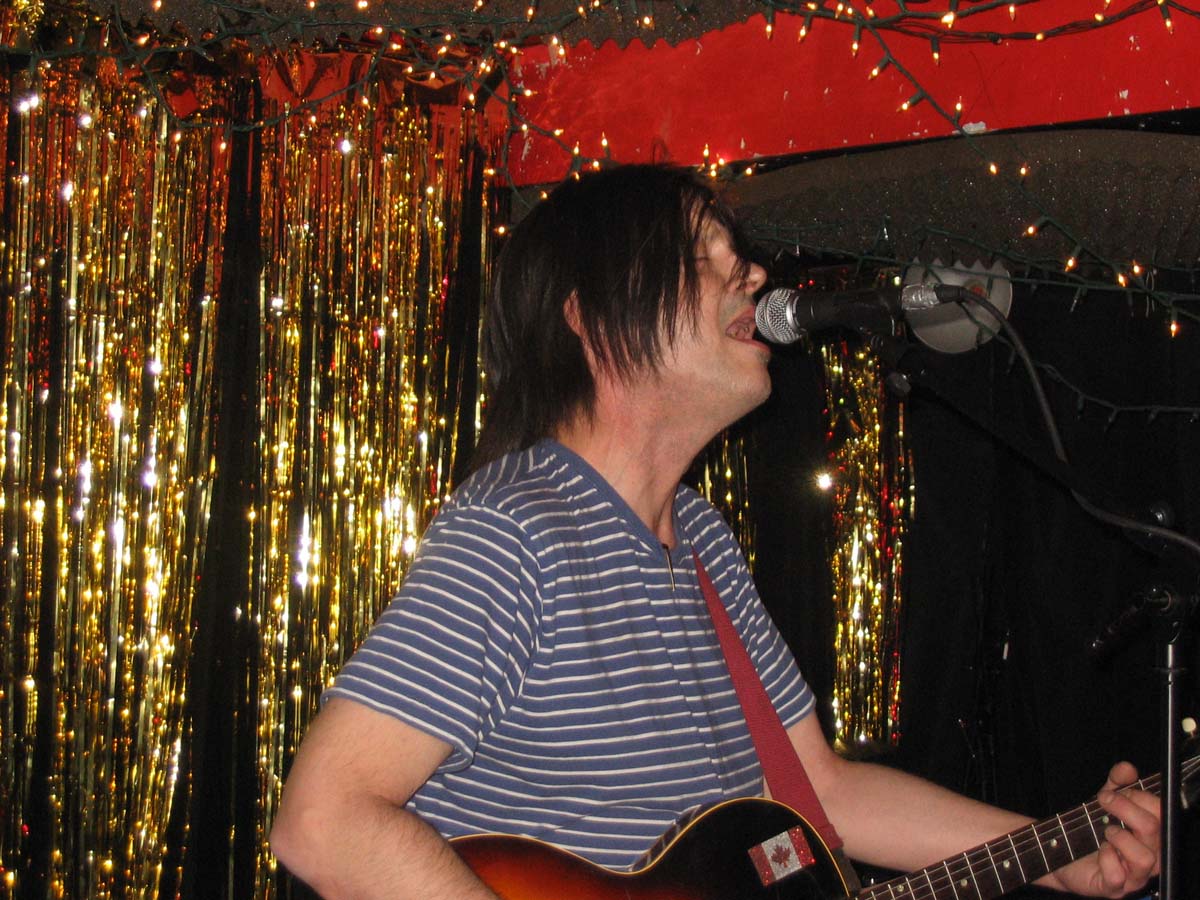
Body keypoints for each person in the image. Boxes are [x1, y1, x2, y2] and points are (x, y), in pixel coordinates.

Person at [269, 164, 1161, 899]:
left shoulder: (700, 543)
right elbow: (324, 820)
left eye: (738, 251)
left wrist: (1061, 851)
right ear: (589, 314)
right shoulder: (518, 530)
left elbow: (824, 793)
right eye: (704, 253)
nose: (754, 275)